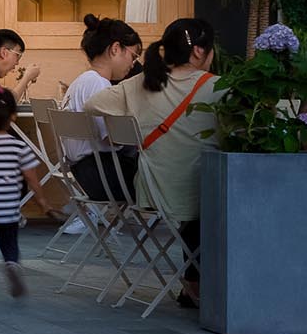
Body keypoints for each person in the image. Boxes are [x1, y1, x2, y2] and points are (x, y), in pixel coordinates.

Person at [84, 17, 222, 308]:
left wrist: (135, 121)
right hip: (198, 195)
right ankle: (200, 283)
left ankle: (192, 283)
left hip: (151, 191)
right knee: (216, 196)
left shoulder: (141, 84)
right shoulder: (218, 88)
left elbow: (91, 105)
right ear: (199, 51)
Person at [0, 87, 52, 301]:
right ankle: (11, 264)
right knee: (9, 243)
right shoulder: (19, 147)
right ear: (13, 116)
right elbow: (31, 178)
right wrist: (43, 202)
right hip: (9, 207)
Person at [59, 14, 143, 202]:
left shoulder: (79, 83)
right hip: (107, 175)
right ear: (115, 49)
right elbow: (112, 138)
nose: (133, 64)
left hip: (86, 175)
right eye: (133, 56)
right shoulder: (99, 85)